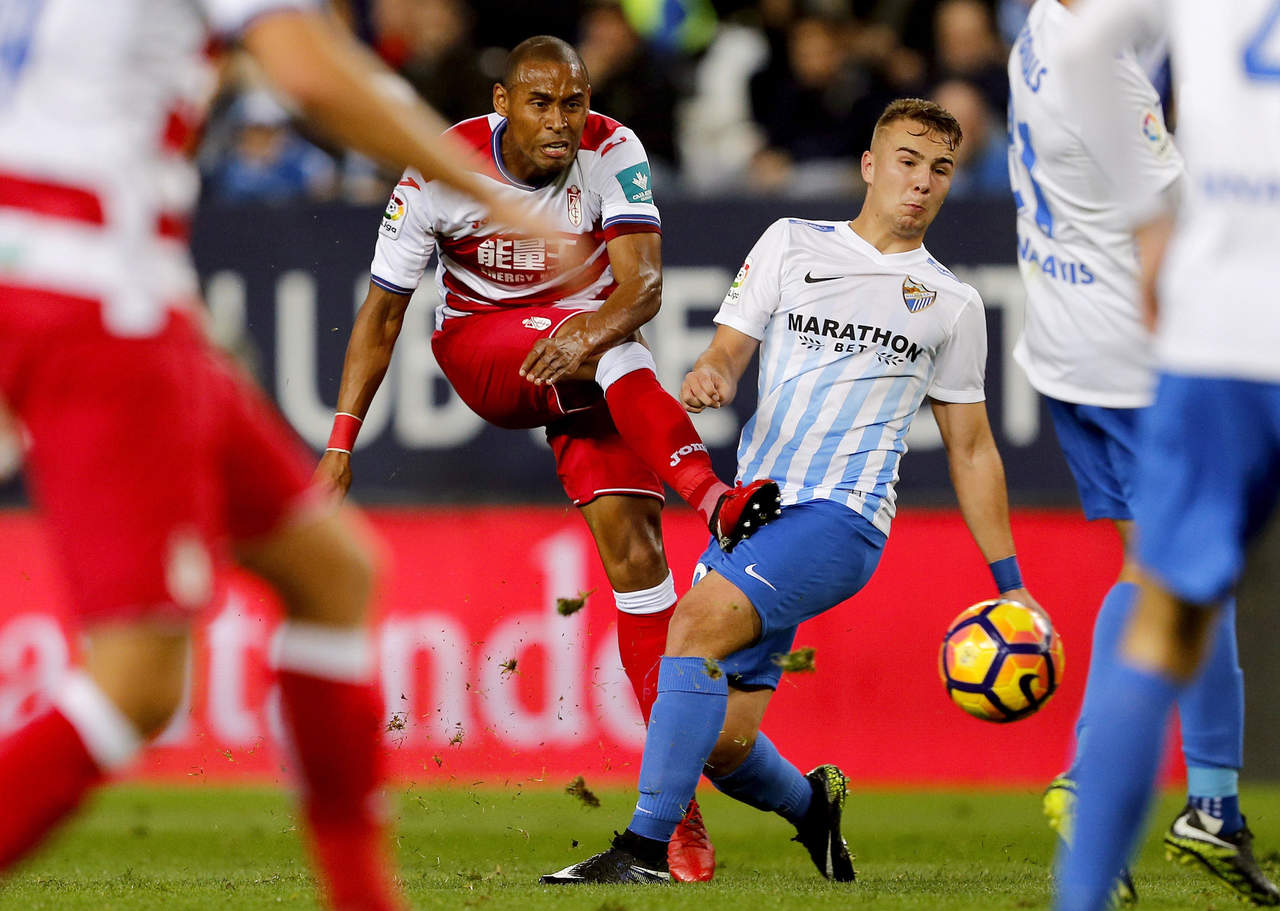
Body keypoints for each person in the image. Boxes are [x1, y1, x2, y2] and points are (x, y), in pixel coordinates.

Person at [0, 2, 563, 909]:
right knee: (137, 681)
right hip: (101, 297)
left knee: (332, 571)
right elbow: (308, 71)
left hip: (80, 275)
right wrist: (491, 194)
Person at [312, 34, 781, 884]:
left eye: (574, 101)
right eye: (541, 103)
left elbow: (644, 287)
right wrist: (340, 445)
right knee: (615, 346)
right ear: (502, 105)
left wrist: (587, 332)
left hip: (588, 364)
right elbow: (381, 316)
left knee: (641, 567)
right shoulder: (440, 169)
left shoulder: (614, 150)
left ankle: (674, 821)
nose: (562, 120)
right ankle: (713, 496)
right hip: (487, 354)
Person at [539, 98, 1042, 885]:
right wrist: (711, 374)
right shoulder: (791, 243)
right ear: (870, 166)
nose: (922, 182)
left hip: (844, 519)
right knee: (722, 744)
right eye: (908, 161)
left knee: (691, 628)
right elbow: (728, 349)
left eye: (941, 169)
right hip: (756, 514)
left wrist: (1010, 585)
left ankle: (641, 852)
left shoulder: (952, 302)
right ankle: (813, 806)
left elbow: (972, 448)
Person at [1006, 0, 1278, 903]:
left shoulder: (1044, 28)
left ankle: (1210, 805)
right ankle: (1107, 784)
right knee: (1174, 577)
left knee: (1182, 570)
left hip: (1071, 340)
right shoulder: (1118, 82)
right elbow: (1186, 203)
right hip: (1147, 351)